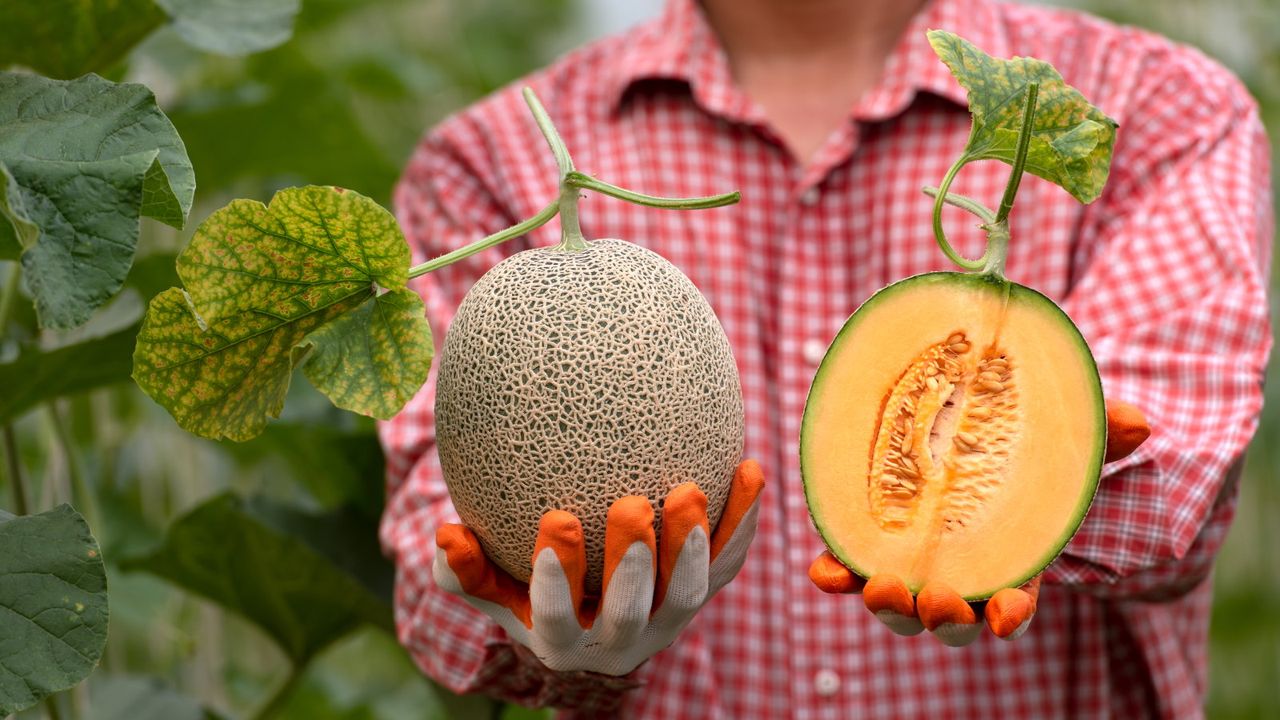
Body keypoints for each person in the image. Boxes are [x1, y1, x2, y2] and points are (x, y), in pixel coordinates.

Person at [378, 0, 1273, 716]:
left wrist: (1039, 505)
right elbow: (435, 538)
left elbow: (1180, 463)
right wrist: (545, 631)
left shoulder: (1156, 103)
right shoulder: (485, 166)